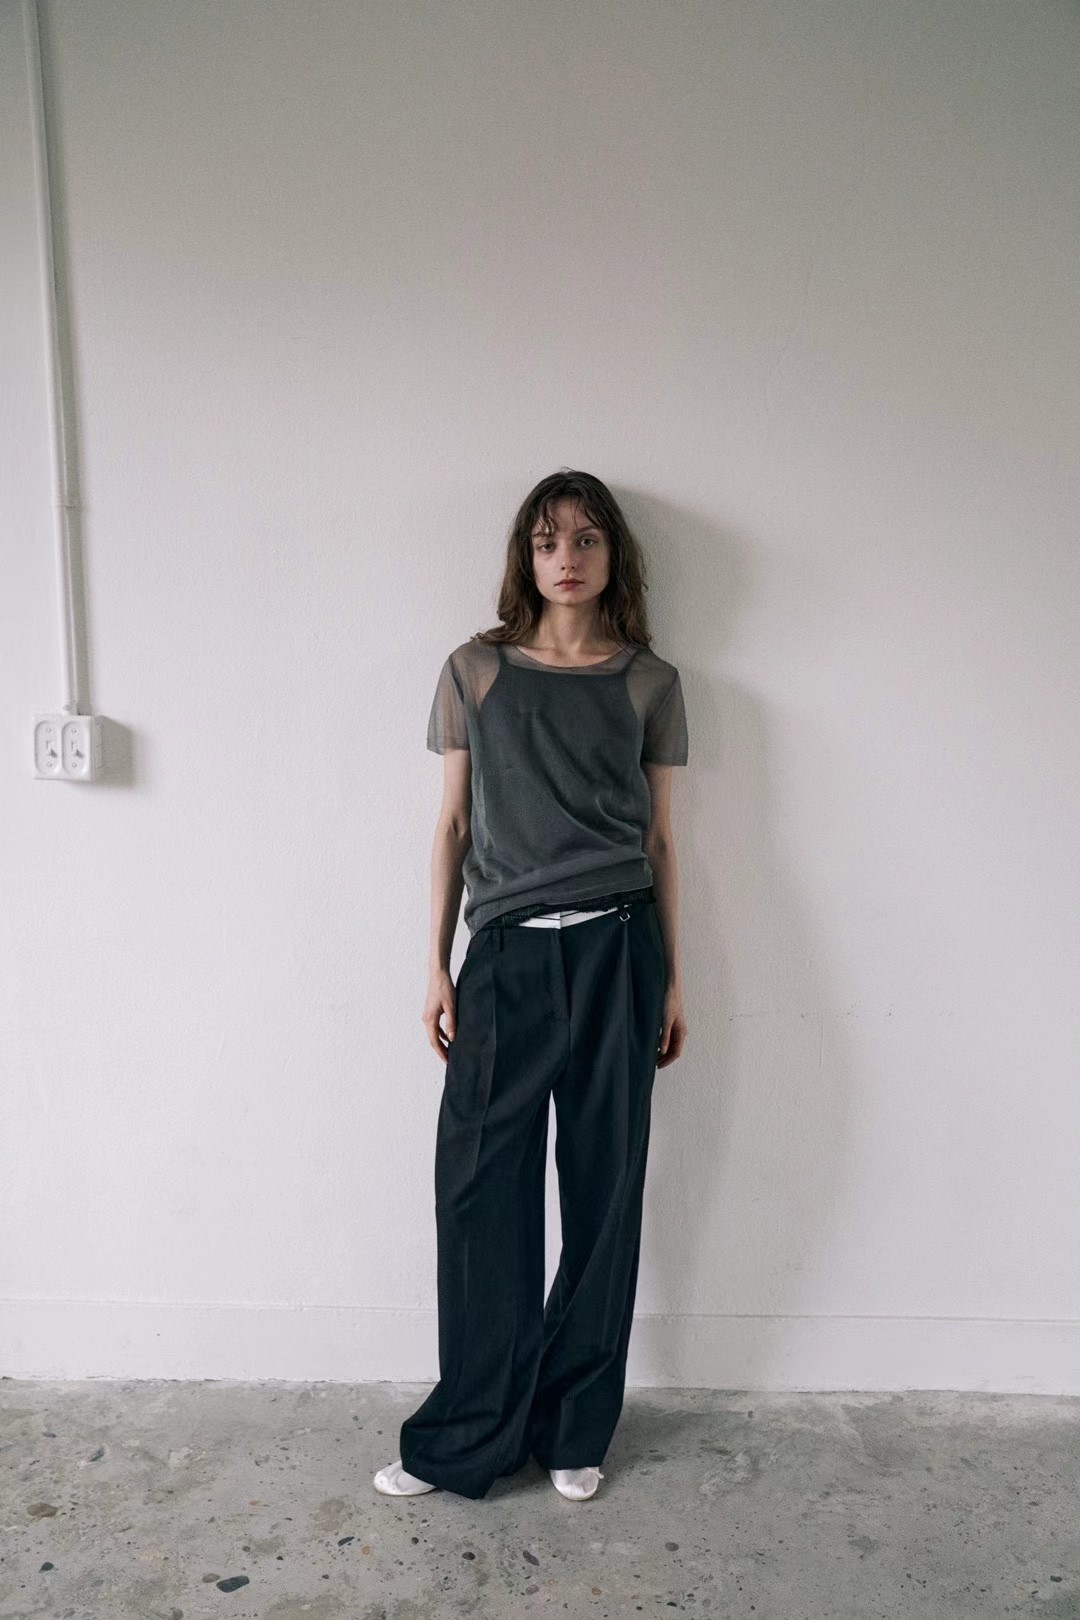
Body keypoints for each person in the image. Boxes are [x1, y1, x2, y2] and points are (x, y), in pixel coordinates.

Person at [374, 468, 689, 1502]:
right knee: (478, 1191)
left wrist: (673, 978)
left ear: (613, 556)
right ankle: (469, 1433)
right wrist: (435, 963)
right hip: (505, 954)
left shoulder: (649, 682)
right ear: (526, 556)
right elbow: (454, 823)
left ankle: (573, 1429)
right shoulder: (475, 671)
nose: (568, 557)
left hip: (619, 948)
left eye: (588, 539)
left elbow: (659, 839)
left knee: (604, 1191)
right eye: (549, 540)